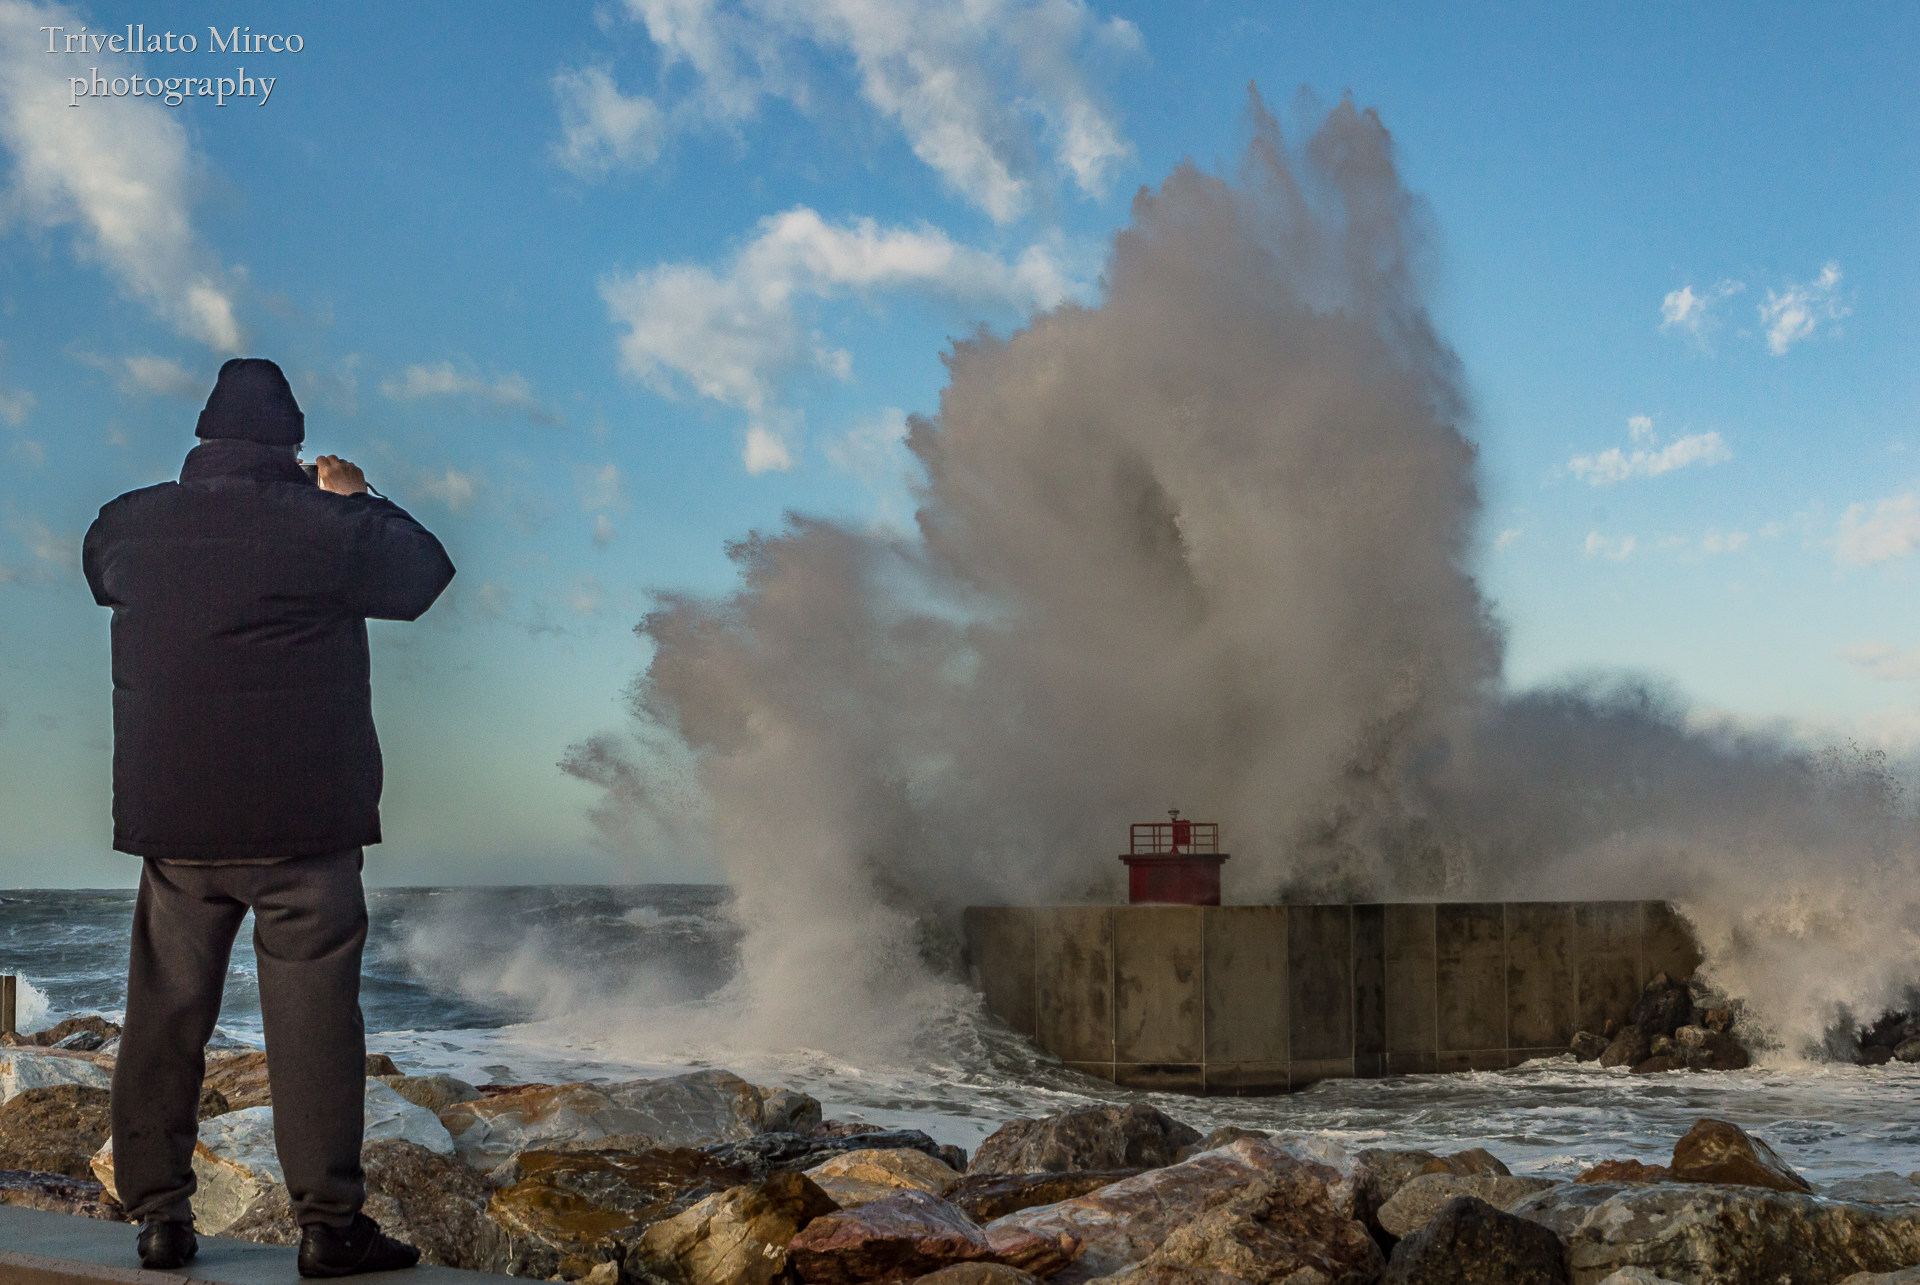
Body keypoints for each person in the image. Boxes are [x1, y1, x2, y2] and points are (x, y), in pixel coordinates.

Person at [82, 358, 455, 1275]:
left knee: (164, 1017)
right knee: (316, 1025)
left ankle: (162, 1217)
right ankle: (329, 1228)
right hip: (306, 827)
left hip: (178, 826)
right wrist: (357, 495)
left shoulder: (131, 525)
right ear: (289, 444)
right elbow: (423, 575)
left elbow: (101, 568)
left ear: (204, 440)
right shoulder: (329, 526)